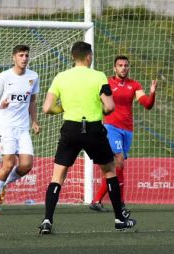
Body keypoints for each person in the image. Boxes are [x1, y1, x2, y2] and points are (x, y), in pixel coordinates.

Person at [39, 41, 136, 234]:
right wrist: (95, 108)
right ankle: (119, 219)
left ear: (73, 57)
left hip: (71, 129)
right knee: (109, 172)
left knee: (57, 176)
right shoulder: (99, 76)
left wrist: (64, 108)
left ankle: (47, 221)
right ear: (89, 56)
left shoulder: (61, 77)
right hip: (93, 129)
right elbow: (109, 107)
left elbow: (47, 108)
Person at [89, 55, 157, 213]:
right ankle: (114, 201)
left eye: (126, 65)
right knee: (118, 162)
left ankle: (103, 201)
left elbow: (147, 104)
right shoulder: (106, 82)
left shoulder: (134, 85)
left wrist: (152, 93)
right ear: (114, 68)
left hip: (128, 130)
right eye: (120, 65)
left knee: (117, 167)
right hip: (111, 127)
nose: (123, 68)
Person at [0, 45, 41, 215]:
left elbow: (32, 101)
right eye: (21, 55)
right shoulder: (4, 76)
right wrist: (1, 103)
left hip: (23, 128)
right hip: (5, 127)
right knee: (8, 164)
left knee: (26, 165)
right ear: (13, 57)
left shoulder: (33, 76)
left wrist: (34, 121)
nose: (24, 58)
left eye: (26, 56)